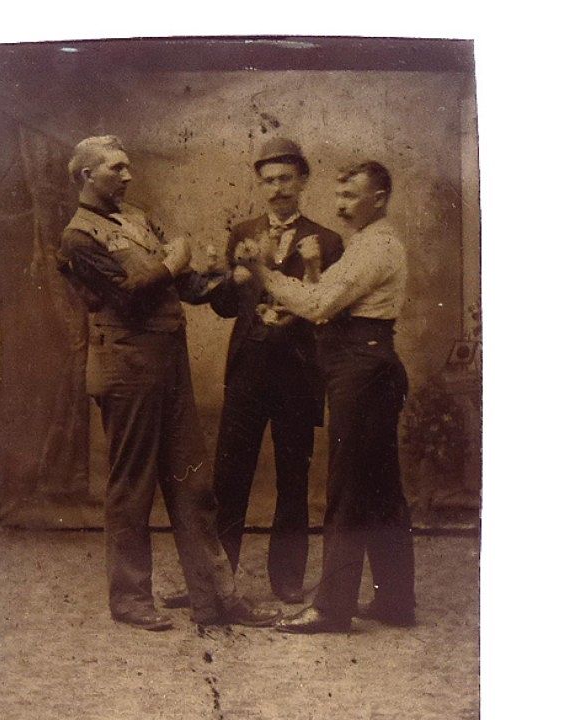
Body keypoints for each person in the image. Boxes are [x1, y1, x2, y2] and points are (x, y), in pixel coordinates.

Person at [57, 135, 279, 631]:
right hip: (126, 367)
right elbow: (127, 297)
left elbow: (184, 285)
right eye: (117, 168)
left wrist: (228, 280)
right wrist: (172, 261)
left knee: (194, 484)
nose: (129, 176)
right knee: (132, 486)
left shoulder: (136, 217)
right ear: (86, 177)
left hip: (168, 363)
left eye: (129, 166)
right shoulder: (78, 238)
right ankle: (131, 600)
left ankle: (218, 597)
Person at [245, 160, 415, 632]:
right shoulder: (366, 243)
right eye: (338, 196)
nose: (340, 206)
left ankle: (332, 607)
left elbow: (320, 306)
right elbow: (329, 300)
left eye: (352, 196)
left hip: (362, 372)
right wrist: (311, 274)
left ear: (378, 198)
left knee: (346, 489)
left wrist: (261, 271)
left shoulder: (376, 246)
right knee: (381, 488)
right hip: (365, 367)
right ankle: (396, 602)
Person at [204, 137, 344, 604]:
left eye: (286, 178)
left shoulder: (326, 240)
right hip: (247, 371)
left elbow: (329, 311)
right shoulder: (242, 231)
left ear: (303, 180)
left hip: (298, 374)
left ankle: (286, 582)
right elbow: (224, 307)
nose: (277, 189)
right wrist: (232, 277)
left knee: (293, 478)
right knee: (229, 477)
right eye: (268, 180)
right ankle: (218, 581)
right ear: (259, 185)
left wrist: (312, 271)